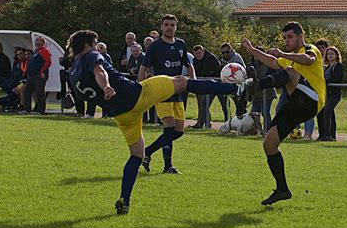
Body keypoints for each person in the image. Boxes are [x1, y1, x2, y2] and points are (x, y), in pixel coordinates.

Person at [68, 29, 247, 214]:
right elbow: (99, 71)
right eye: (95, 43)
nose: (97, 47)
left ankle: (124, 200)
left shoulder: (73, 71)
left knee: (136, 155)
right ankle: (236, 90)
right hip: (137, 95)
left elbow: (83, 93)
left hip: (122, 115)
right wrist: (106, 87)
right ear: (87, 45)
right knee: (181, 81)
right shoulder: (91, 55)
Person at [242, 21, 326, 205]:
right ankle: (282, 189)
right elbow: (271, 61)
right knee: (269, 144)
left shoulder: (310, 49)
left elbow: (308, 60)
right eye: (284, 38)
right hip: (296, 104)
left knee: (290, 71)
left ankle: (257, 85)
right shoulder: (289, 57)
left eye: (290, 37)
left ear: (300, 37)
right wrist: (252, 50)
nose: (286, 41)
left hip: (312, 99)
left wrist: (281, 53)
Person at [139, 14, 195, 174]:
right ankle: (167, 166)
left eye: (172, 25)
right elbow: (144, 67)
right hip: (161, 92)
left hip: (177, 92)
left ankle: (148, 152)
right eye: (166, 25)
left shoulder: (181, 44)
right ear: (161, 27)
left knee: (178, 131)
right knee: (169, 127)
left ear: (175, 27)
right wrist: (141, 87)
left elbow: (189, 65)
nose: (169, 27)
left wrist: (193, 81)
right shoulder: (155, 46)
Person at [189, 45, 228, 129]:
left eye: (199, 53)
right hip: (209, 85)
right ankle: (200, 123)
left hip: (219, 83)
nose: (198, 55)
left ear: (203, 51)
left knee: (224, 105)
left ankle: (228, 124)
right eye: (196, 54)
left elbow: (207, 72)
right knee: (204, 104)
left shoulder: (211, 58)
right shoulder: (195, 60)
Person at [21, 36, 52, 115]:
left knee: (39, 93)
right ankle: (26, 109)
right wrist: (25, 73)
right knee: (27, 92)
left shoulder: (44, 51)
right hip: (31, 76)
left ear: (43, 43)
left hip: (38, 75)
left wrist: (42, 71)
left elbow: (48, 62)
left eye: (40, 41)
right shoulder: (36, 51)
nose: (37, 42)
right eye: (37, 41)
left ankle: (41, 111)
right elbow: (29, 63)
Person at [249, 47, 277, 131]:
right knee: (253, 113)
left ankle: (268, 130)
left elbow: (270, 77)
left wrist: (260, 82)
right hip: (256, 94)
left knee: (265, 113)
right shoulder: (251, 65)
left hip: (267, 93)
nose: (256, 57)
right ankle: (256, 130)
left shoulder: (268, 65)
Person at [320, 46, 343, 141]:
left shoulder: (338, 66)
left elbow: (336, 78)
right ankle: (332, 136)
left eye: (332, 54)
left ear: (336, 55)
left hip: (334, 94)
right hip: (327, 93)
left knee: (327, 112)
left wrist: (325, 81)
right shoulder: (327, 67)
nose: (330, 56)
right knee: (330, 114)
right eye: (328, 54)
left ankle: (327, 135)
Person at [220, 42, 247, 116]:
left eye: (227, 52)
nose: (225, 54)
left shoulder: (236, 58)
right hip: (232, 85)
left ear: (231, 50)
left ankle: (243, 124)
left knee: (240, 109)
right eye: (223, 52)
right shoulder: (224, 59)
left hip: (240, 86)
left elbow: (238, 73)